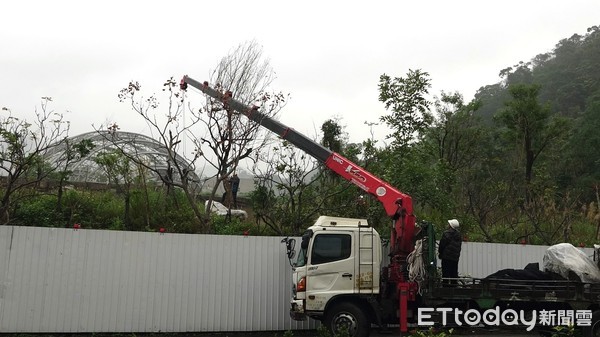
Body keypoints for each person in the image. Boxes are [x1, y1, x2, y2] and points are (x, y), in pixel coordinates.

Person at [438, 219, 462, 286]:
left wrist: (440, 253)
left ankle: (445, 288)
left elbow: (442, 245)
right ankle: (454, 287)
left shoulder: (446, 234)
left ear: (450, 226)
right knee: (453, 273)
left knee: (445, 273)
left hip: (446, 257)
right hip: (455, 258)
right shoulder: (459, 235)